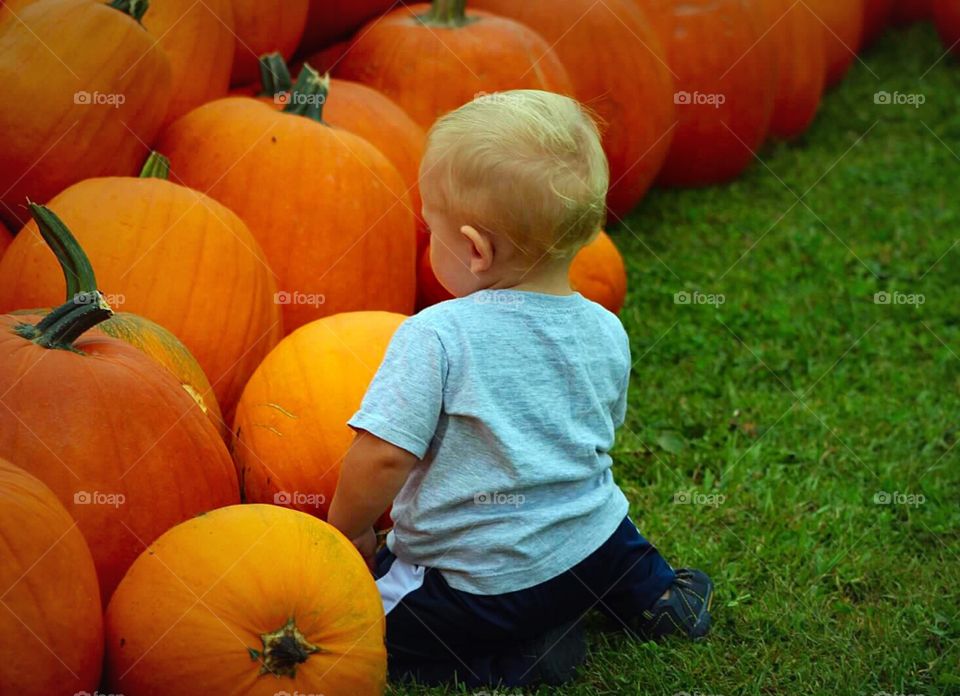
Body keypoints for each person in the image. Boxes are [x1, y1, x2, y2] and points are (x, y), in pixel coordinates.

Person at [328, 89, 713, 688]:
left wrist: (349, 528)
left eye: (431, 228)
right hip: (592, 551)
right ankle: (661, 599)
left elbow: (383, 454)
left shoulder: (436, 335)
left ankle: (511, 660)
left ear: (475, 250)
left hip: (482, 586)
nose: (427, 240)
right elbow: (601, 431)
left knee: (363, 630)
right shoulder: (606, 328)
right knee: (610, 531)